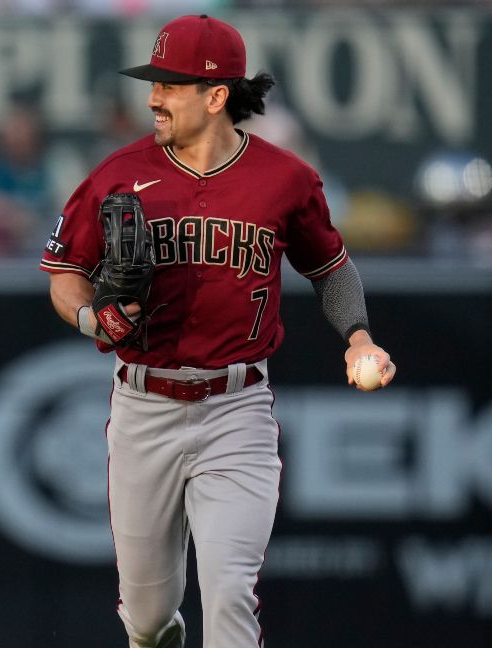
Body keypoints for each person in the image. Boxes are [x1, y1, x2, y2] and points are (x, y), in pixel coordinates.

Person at [40, 15, 395, 648]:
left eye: (169, 85)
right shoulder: (117, 174)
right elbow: (65, 272)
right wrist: (92, 315)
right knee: (147, 620)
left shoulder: (284, 179)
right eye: (153, 84)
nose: (152, 98)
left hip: (238, 408)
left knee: (230, 591)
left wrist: (359, 335)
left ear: (216, 95)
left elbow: (331, 269)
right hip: (143, 404)